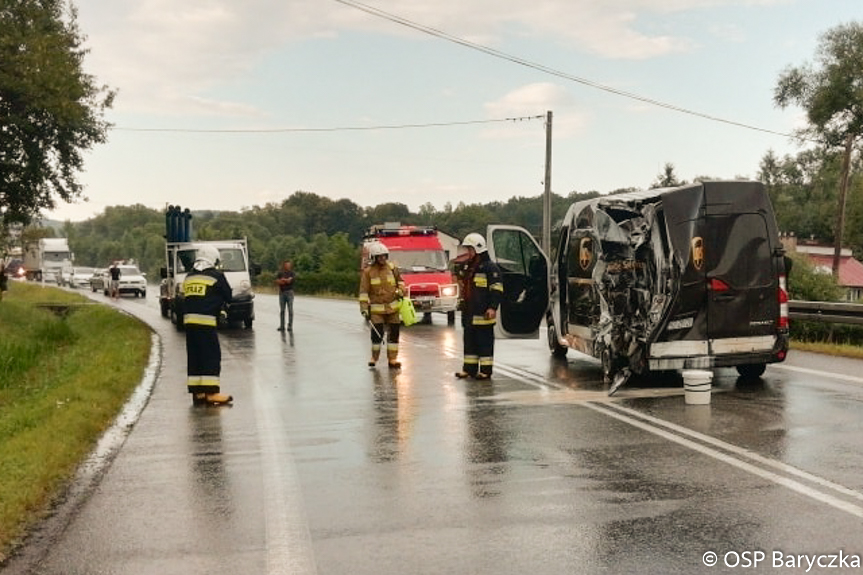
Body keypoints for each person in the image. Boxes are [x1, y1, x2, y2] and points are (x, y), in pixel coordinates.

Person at [183, 245, 234, 406]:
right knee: (211, 356)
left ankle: (198, 393)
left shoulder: (189, 276)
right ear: (213, 259)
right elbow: (228, 295)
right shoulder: (216, 276)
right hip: (205, 322)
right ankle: (212, 393)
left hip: (189, 323)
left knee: (195, 356)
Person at [454, 233, 504, 380]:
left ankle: (485, 371)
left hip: (484, 314)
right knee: (469, 344)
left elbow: (497, 290)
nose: (468, 252)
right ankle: (469, 370)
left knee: (485, 344)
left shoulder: (490, 268)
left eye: (470, 249)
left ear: (478, 249)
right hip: (469, 313)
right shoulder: (469, 267)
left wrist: (493, 307)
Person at [359, 242, 406, 369]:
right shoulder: (368, 272)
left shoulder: (392, 268)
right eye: (379, 257)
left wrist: (401, 290)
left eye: (384, 256)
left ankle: (392, 359)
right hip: (376, 310)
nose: (382, 259)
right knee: (377, 336)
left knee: (394, 335)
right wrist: (364, 308)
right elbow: (363, 292)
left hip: (393, 308)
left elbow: (401, 281)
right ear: (374, 257)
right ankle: (374, 358)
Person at [275, 260, 295, 332]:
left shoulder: (292, 273)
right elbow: (277, 281)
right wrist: (284, 280)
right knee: (282, 310)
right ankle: (282, 325)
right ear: (284, 265)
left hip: (289, 292)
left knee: (290, 310)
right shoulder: (280, 273)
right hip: (282, 293)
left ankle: (290, 326)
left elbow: (290, 281)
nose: (287, 266)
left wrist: (284, 280)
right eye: (286, 265)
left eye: (289, 265)